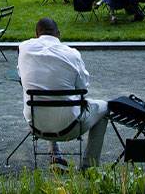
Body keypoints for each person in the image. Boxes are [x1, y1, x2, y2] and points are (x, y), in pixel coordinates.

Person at [18, 18, 107, 169]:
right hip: (70, 127)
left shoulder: (24, 48)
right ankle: (89, 166)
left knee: (46, 96)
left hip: (36, 125)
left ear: (36, 34)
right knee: (104, 108)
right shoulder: (72, 54)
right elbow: (83, 88)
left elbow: (21, 76)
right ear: (58, 34)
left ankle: (55, 154)